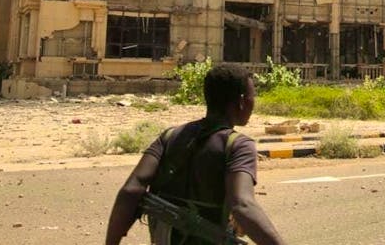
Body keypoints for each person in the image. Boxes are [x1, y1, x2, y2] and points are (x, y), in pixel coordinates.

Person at [105, 63, 286, 245]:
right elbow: (243, 205)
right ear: (241, 102)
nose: (253, 102)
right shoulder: (238, 145)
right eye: (252, 96)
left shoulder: (169, 137)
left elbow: (130, 191)